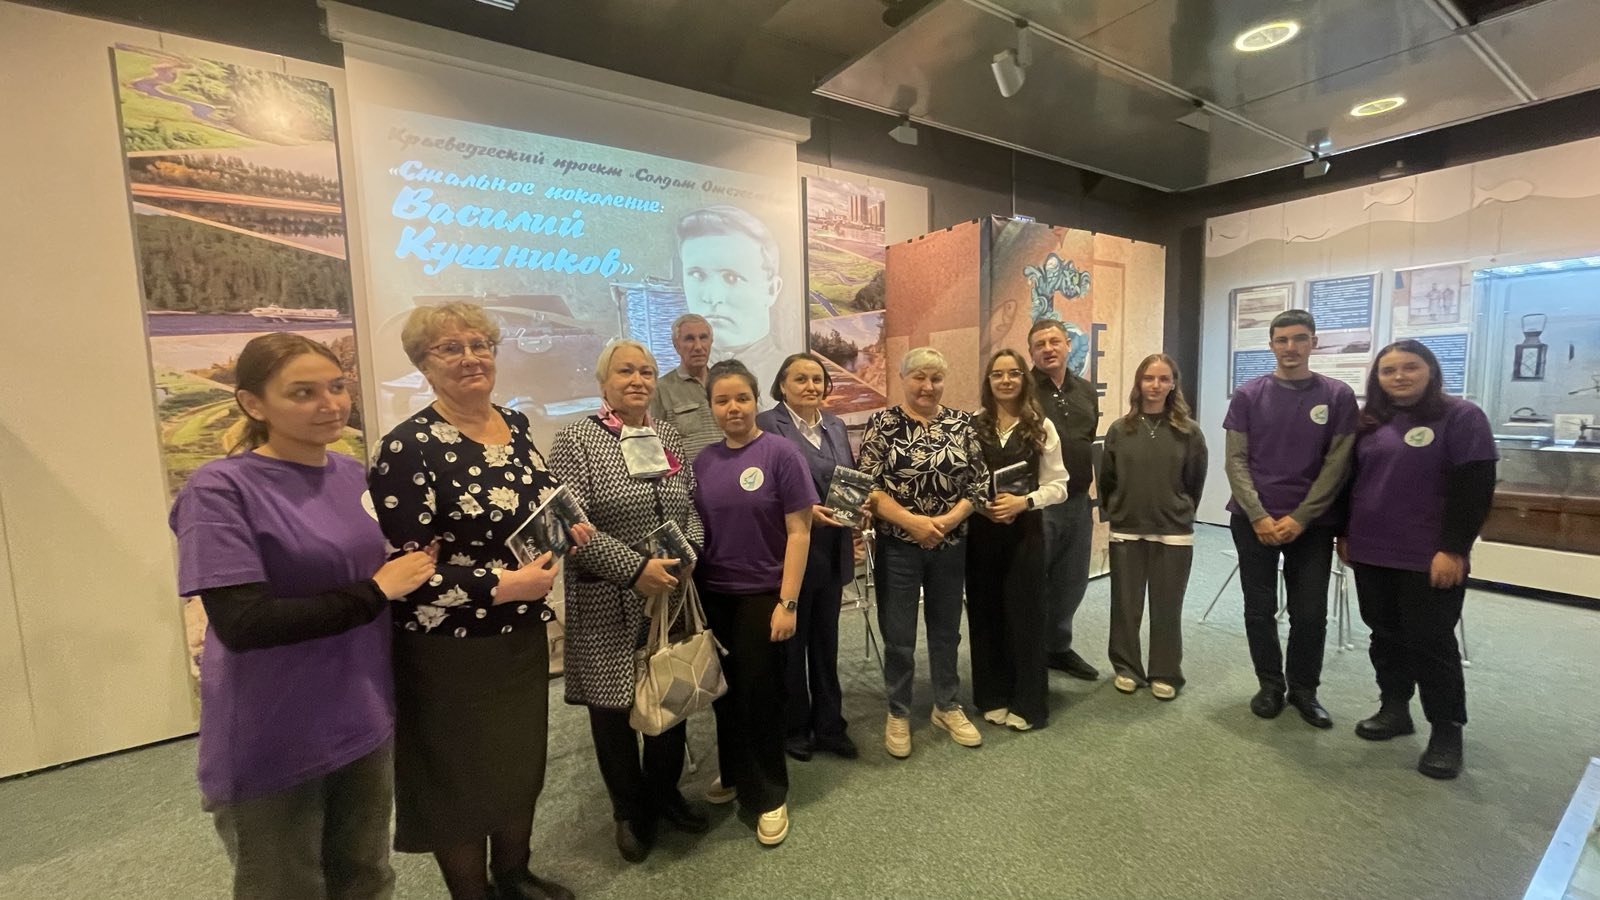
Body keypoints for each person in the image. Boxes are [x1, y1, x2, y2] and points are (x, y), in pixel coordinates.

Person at [169, 332, 436, 900]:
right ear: (253, 404)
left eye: (337, 387)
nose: (330, 404)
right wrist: (377, 590)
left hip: (362, 716)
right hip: (275, 729)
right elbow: (245, 624)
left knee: (365, 879)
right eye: (303, 393)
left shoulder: (350, 474)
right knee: (285, 886)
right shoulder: (218, 490)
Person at [370, 302, 579, 900]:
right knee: (457, 779)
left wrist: (569, 523)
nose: (470, 358)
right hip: (447, 647)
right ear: (423, 364)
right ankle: (472, 893)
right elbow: (407, 574)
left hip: (519, 633)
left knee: (519, 763)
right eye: (450, 348)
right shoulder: (407, 448)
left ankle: (514, 875)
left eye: (479, 345)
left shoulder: (514, 424)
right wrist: (502, 585)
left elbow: (543, 500)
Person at [547, 339, 708, 863]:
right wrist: (635, 570)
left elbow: (690, 505)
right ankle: (629, 809)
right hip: (607, 597)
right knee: (613, 711)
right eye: (625, 372)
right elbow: (567, 525)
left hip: (669, 595)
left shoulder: (666, 435)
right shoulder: (577, 440)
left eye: (646, 371)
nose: (637, 380)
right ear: (604, 382)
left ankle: (665, 794)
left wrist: (688, 554)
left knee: (670, 691)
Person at [1339, 340, 1496, 780]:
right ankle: (1394, 709)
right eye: (1388, 370)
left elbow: (1475, 488)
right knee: (1384, 634)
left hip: (1429, 555)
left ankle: (1446, 731)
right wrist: (1345, 533)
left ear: (1430, 371)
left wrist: (1454, 548)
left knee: (1431, 641)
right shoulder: (1369, 422)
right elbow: (1352, 482)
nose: (1399, 377)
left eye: (1410, 367)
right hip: (1372, 549)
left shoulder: (1462, 417)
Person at [694, 359, 816, 845]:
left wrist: (788, 603)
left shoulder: (781, 453)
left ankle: (768, 794)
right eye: (722, 400)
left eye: (741, 398)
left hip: (763, 594)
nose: (733, 408)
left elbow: (800, 532)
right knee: (724, 694)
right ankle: (733, 772)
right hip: (713, 594)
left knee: (760, 695)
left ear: (756, 400)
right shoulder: (703, 461)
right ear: (711, 406)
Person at [1223, 309, 1357, 729]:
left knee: (1310, 613)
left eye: (1299, 338)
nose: (1290, 347)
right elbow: (1236, 460)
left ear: (1313, 342)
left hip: (1312, 525)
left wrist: (1301, 517)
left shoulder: (1337, 395)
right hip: (1253, 521)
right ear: (1271, 345)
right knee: (1259, 609)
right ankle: (1269, 685)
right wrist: (1259, 515)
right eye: (1282, 340)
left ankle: (1304, 690)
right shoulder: (1248, 395)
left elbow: (1338, 464)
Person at [858, 347, 990, 758]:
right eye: (919, 377)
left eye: (935, 378)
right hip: (899, 547)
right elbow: (868, 486)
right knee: (899, 636)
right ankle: (898, 710)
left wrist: (946, 522)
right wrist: (913, 523)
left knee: (946, 631)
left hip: (950, 545)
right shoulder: (882, 424)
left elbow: (979, 484)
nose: (927, 386)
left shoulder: (962, 423)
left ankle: (946, 705)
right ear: (903, 379)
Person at [756, 353, 861, 761]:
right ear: (782, 385)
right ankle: (795, 728)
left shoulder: (835, 424)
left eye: (817, 379)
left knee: (826, 644)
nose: (811, 386)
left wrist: (859, 506)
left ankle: (830, 725)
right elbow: (761, 492)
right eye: (800, 379)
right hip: (790, 554)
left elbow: (846, 478)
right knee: (791, 649)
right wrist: (803, 512)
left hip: (832, 551)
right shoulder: (767, 425)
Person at [966, 349, 1069, 732]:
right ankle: (992, 695)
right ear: (988, 381)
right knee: (985, 612)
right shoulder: (973, 424)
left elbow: (1059, 485)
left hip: (1025, 532)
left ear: (1024, 379)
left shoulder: (1041, 427)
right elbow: (962, 478)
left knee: (1025, 616)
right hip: (981, 531)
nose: (1005, 380)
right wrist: (980, 506)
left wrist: (1024, 502)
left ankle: (1028, 703)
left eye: (1013, 373)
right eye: (998, 374)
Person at [1099, 354, 1208, 701]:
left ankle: (1165, 672)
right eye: (1149, 378)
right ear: (1139, 383)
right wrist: (1119, 509)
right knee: (1125, 605)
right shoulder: (1120, 429)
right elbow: (1107, 479)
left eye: (1163, 379)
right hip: (1127, 528)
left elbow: (1195, 480)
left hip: (1173, 530)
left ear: (1173, 384)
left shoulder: (1189, 432)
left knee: (1167, 606)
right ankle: (1127, 668)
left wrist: (1180, 510)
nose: (1156, 385)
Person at [1027, 318, 1102, 681]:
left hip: (1077, 501)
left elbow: (1088, 438)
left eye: (1054, 341)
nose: (1048, 349)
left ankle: (1057, 647)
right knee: (1033, 581)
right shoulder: (1023, 392)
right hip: (1040, 504)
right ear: (1031, 352)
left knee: (1071, 581)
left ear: (1068, 345)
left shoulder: (1086, 391)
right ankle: (1028, 652)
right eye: (1040, 344)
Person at [678, 205, 786, 387]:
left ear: (771, 290)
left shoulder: (789, 379)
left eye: (731, 277)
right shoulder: (667, 387)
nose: (713, 297)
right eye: (697, 275)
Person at [648, 313, 721, 461]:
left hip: (732, 470)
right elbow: (654, 445)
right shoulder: (660, 390)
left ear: (711, 342)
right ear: (676, 345)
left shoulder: (724, 383)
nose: (698, 346)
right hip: (689, 474)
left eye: (703, 338)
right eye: (689, 339)